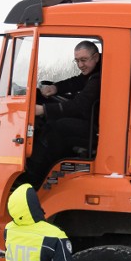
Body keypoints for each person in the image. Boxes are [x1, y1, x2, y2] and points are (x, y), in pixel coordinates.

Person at [24, 40, 101, 188]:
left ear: (96, 57)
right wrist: (55, 88)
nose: (80, 65)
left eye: (83, 60)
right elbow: (78, 81)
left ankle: (34, 179)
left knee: (55, 128)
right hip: (93, 120)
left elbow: (79, 105)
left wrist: (44, 110)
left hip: (97, 129)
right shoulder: (95, 71)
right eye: (77, 61)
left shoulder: (99, 77)